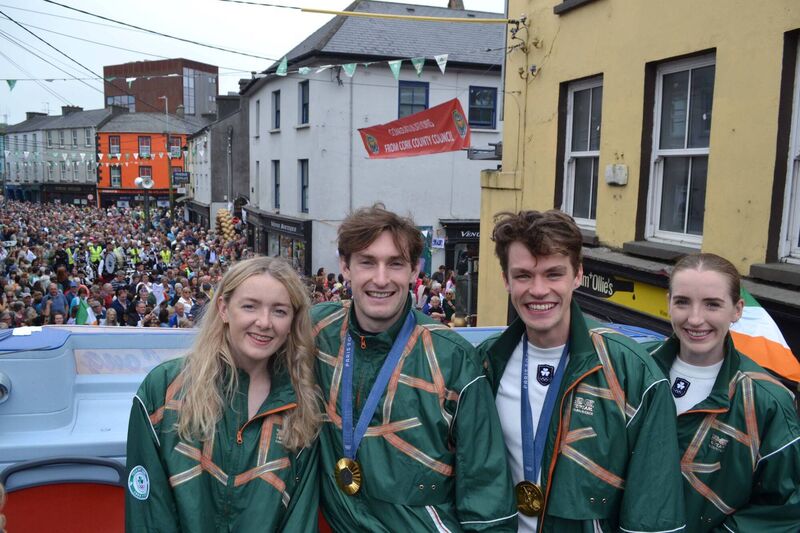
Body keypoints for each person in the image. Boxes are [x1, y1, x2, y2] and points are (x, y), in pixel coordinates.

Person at [311, 204, 516, 531]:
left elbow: (485, 489)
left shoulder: (453, 359)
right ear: (345, 267)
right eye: (367, 262)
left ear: (414, 270)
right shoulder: (316, 333)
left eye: (395, 264)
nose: (381, 279)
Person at [478, 210, 685, 532]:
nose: (538, 290)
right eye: (523, 276)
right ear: (506, 280)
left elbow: (653, 506)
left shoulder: (631, 370)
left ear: (577, 275)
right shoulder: (485, 361)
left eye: (553, 274)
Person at [125, 257, 320, 531]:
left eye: (279, 311)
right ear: (224, 309)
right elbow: (148, 515)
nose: (264, 322)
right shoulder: (164, 390)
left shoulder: (301, 404)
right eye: (250, 306)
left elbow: (300, 520)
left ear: (292, 322)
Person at [649, 253, 800, 532]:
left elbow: (786, 508)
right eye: (682, 302)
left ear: (737, 310)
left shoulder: (766, 400)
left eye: (712, 305)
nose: (695, 319)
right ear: (668, 302)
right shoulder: (634, 367)